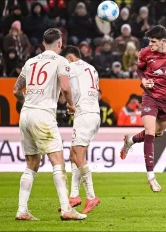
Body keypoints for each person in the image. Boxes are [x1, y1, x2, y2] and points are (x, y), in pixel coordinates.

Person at [13, 28, 86, 221]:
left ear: (43, 43)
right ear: (60, 44)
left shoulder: (30, 62)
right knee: (57, 161)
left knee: (32, 163)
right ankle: (66, 208)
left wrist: (27, 101)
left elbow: (16, 90)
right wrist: (70, 105)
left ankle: (22, 210)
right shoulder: (61, 61)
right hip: (44, 115)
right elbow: (64, 87)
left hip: (26, 114)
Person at [119, 25, 166, 192]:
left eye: (153, 42)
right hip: (150, 96)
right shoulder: (145, 53)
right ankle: (151, 176)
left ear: (163, 41)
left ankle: (131, 140)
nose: (150, 45)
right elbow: (139, 69)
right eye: (149, 41)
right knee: (150, 132)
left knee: (159, 132)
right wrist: (143, 82)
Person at [60, 45, 101, 214]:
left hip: (83, 114)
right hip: (94, 114)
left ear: (69, 58)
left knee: (77, 156)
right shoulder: (92, 69)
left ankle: (91, 196)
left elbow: (72, 89)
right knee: (73, 154)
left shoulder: (71, 67)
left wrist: (70, 104)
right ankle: (74, 195)